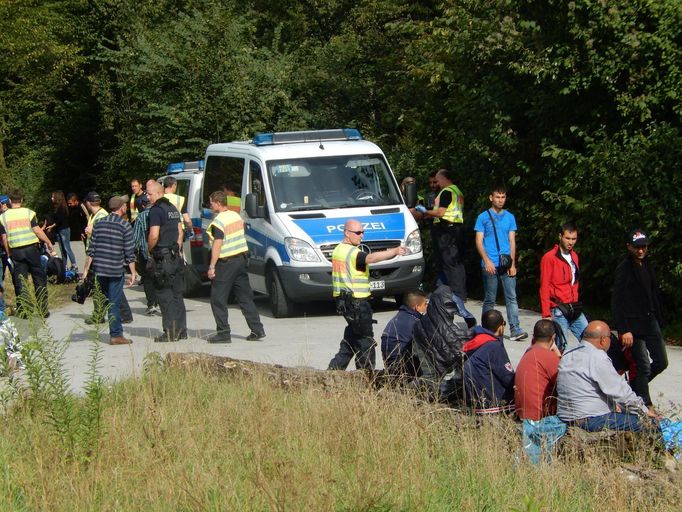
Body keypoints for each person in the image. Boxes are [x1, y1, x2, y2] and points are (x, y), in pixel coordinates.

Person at [328, 219, 406, 371]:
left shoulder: (338, 249)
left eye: (363, 232)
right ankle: (366, 378)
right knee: (366, 343)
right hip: (357, 304)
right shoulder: (353, 252)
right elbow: (370, 258)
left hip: (345, 302)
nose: (361, 235)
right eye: (358, 232)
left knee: (351, 340)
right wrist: (394, 251)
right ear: (346, 233)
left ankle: (333, 371)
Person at [557, 320, 658, 432]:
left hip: (566, 417)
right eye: (610, 337)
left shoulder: (567, 353)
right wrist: (644, 410)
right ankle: (663, 449)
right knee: (652, 424)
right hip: (591, 418)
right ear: (603, 340)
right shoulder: (597, 357)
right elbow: (620, 392)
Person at [611, 229, 667, 408]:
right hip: (632, 326)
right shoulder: (624, 269)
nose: (640, 251)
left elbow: (652, 293)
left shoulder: (648, 264)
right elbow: (617, 301)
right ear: (629, 247)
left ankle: (633, 388)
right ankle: (645, 404)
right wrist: (624, 329)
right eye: (637, 247)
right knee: (643, 365)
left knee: (661, 361)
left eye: (643, 247)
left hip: (650, 321)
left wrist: (659, 317)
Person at [205, 191, 264, 343]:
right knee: (245, 297)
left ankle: (223, 333)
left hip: (226, 263)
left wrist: (212, 266)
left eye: (211, 202)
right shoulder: (236, 216)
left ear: (218, 203)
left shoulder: (219, 221)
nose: (210, 205)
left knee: (217, 299)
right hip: (241, 260)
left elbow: (217, 245)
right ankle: (257, 329)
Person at [474, 185, 527, 341]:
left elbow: (512, 241)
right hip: (490, 263)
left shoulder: (510, 217)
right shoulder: (483, 217)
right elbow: (479, 241)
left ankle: (515, 328)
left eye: (503, 197)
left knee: (511, 297)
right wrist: (486, 260)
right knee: (490, 298)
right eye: (497, 197)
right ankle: (486, 329)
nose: (500, 200)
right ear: (491, 198)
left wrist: (512, 264)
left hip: (506, 263)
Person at [82, 195, 136, 345]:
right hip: (115, 269)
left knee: (107, 300)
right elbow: (129, 252)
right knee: (114, 302)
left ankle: (112, 328)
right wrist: (133, 272)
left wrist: (86, 270)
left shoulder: (98, 224)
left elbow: (91, 250)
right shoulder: (124, 226)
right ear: (122, 208)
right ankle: (116, 335)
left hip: (100, 269)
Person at [411, 285, 476, 401]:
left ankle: (411, 389)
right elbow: (461, 348)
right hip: (440, 379)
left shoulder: (419, 324)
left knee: (429, 379)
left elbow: (415, 353)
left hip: (428, 374)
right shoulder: (448, 327)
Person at [514, 319, 566, 464]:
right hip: (540, 416)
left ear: (534, 337)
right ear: (553, 338)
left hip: (523, 413)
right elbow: (564, 384)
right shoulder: (549, 357)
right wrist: (558, 354)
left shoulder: (528, 352)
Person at [0, 189, 56, 318]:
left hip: (16, 252)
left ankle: (26, 311)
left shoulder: (3, 217)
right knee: (39, 278)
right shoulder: (29, 213)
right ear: (22, 200)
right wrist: (48, 242)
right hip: (32, 249)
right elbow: (37, 230)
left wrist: (9, 254)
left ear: (9, 201)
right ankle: (43, 309)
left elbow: (4, 238)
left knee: (21, 281)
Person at [414, 168, 466, 299]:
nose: (436, 183)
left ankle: (457, 293)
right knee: (452, 261)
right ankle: (444, 289)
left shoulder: (447, 192)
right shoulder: (457, 191)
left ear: (443, 179)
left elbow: (440, 213)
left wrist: (425, 211)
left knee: (450, 262)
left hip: (447, 229)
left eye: (437, 180)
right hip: (455, 228)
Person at [147, 180, 187, 342]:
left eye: (149, 194)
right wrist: (176, 248)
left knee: (164, 294)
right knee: (177, 294)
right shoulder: (172, 208)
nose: (148, 197)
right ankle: (181, 331)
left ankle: (170, 332)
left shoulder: (156, 210)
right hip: (174, 256)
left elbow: (154, 235)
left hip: (162, 257)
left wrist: (150, 249)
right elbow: (180, 232)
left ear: (158, 193)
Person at [539, 222, 586, 351]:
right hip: (558, 309)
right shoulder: (549, 258)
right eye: (568, 238)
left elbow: (575, 282)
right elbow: (544, 286)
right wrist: (546, 314)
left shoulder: (574, 256)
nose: (571, 242)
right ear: (560, 236)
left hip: (573, 307)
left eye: (574, 239)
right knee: (559, 347)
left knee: (590, 339)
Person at [462, 309, 515, 414]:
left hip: (473, 402)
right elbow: (508, 379)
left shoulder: (474, 341)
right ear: (500, 326)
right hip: (491, 404)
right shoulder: (493, 346)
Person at [380, 290, 427, 377]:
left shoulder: (399, 316)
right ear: (417, 307)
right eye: (425, 304)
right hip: (405, 370)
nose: (426, 307)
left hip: (391, 367)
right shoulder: (415, 323)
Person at [131, 193, 159, 316]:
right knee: (159, 278)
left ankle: (151, 304)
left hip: (145, 253)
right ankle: (160, 302)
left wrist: (133, 251)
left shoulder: (141, 217)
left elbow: (136, 238)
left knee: (148, 280)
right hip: (160, 252)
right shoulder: (160, 214)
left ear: (143, 205)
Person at [47, 190, 78, 270]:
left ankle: (74, 265)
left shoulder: (62, 207)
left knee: (67, 248)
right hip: (58, 230)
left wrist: (52, 226)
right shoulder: (55, 207)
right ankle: (64, 267)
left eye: (53, 197)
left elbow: (60, 220)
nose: (51, 198)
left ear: (57, 197)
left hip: (64, 230)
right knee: (62, 250)